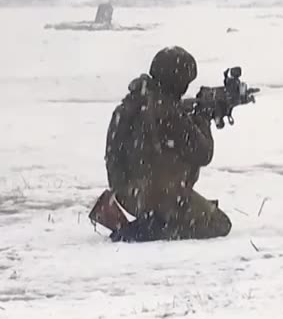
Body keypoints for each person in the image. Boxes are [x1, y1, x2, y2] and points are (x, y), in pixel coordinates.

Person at [90, 46, 233, 242]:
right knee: (219, 223)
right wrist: (203, 118)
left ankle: (154, 221)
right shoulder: (167, 112)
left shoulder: (132, 103)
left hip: (125, 192)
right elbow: (203, 153)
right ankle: (149, 229)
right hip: (156, 197)